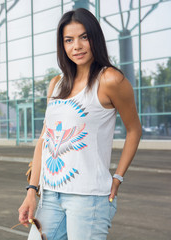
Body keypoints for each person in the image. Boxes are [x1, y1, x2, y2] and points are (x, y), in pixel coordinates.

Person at [18, 8, 142, 240]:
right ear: (62, 45)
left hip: (89, 197)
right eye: (69, 40)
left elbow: (134, 129)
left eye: (84, 37)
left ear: (95, 38)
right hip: (51, 195)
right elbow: (44, 141)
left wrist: (118, 177)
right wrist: (31, 191)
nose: (77, 46)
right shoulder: (56, 84)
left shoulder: (111, 80)